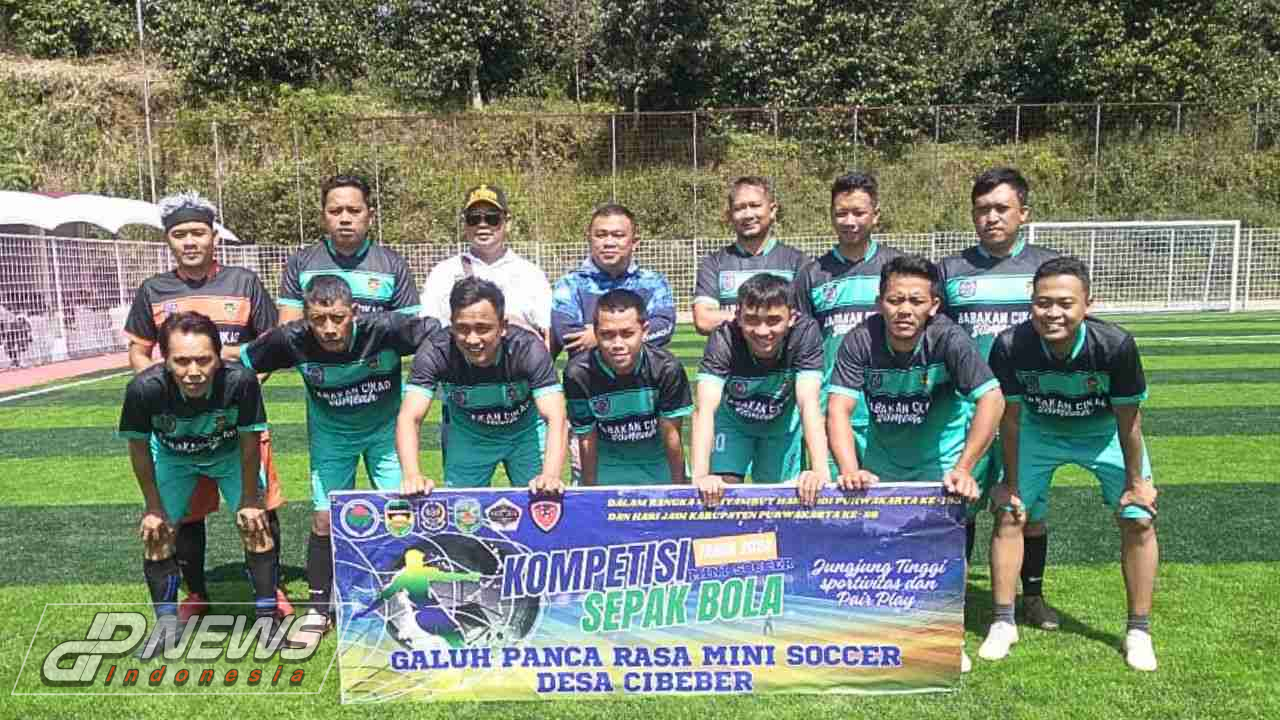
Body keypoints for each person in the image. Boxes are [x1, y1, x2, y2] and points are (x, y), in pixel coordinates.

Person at [239, 275, 439, 650]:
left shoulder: (387, 329)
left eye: (338, 318)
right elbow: (243, 362)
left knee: (401, 512)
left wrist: (423, 378)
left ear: (355, 313)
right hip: (333, 437)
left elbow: (440, 336)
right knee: (324, 518)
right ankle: (319, 611)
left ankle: (414, 601)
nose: (329, 328)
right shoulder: (290, 338)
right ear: (306, 317)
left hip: (386, 434)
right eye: (318, 319)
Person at [826, 254, 1004, 673]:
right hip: (884, 457)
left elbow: (992, 399)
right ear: (880, 302)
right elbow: (837, 409)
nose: (904, 310)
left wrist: (964, 467)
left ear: (934, 305)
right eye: (895, 300)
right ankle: (888, 630)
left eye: (916, 301)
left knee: (941, 546)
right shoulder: (860, 340)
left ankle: (946, 636)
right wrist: (849, 468)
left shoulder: (949, 338)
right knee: (880, 547)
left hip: (940, 457)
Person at [979, 257, 1159, 671]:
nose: (1053, 313)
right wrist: (1010, 482)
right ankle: (1003, 622)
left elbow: (1129, 421)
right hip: (1039, 431)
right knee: (1009, 511)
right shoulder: (1010, 344)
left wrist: (1136, 482)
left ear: (1087, 304)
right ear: (1031, 303)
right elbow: (1011, 418)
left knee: (1138, 518)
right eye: (1043, 303)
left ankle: (1138, 631)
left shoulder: (1115, 345)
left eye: (1065, 303)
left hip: (1102, 435)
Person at [122, 191, 289, 622]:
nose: (190, 241)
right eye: (180, 234)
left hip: (234, 419)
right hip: (177, 428)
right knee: (187, 515)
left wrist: (237, 389)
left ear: (213, 236)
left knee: (259, 506)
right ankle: (195, 592)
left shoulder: (244, 282)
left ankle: (272, 592)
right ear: (168, 240)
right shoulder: (153, 290)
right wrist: (164, 390)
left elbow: (271, 346)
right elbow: (139, 351)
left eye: (198, 232)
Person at [940, 167, 1062, 631]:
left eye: (1001, 208)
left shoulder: (1047, 268)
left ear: (1023, 213)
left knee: (1027, 507)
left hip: (1026, 411)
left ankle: (1032, 597)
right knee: (961, 503)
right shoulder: (950, 270)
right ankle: (952, 597)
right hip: (966, 411)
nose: (991, 217)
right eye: (982, 210)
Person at [117, 312, 277, 659]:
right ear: (164, 359)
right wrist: (153, 507)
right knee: (157, 533)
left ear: (219, 357)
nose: (193, 371)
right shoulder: (143, 389)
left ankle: (268, 621)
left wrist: (250, 499)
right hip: (174, 457)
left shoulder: (241, 381)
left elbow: (250, 441)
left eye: (203, 360)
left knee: (256, 525)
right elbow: (139, 448)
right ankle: (166, 626)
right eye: (181, 361)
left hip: (229, 453)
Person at [397, 277, 567, 494]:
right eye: (462, 328)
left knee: (543, 499)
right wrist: (412, 475)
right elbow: (410, 416)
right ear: (451, 324)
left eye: (482, 328)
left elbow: (556, 415)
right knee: (463, 510)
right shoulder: (435, 351)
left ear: (503, 326)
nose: (472, 339)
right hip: (469, 436)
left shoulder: (528, 348)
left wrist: (551, 475)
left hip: (526, 433)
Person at [793, 172, 904, 469]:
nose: (849, 221)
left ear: (876, 215)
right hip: (830, 407)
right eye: (841, 213)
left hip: (890, 407)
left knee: (889, 494)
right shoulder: (812, 274)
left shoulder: (897, 268)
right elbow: (803, 349)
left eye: (858, 212)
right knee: (832, 494)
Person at [690, 273, 828, 507]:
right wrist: (701, 476)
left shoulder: (805, 333)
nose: (763, 331)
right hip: (732, 423)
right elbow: (704, 409)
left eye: (773, 320)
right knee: (720, 492)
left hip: (781, 424)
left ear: (792, 317)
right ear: (738, 317)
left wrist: (820, 471)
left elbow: (809, 402)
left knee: (782, 500)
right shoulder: (723, 337)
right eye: (752, 320)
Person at [563, 289, 692, 485]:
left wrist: (678, 488)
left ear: (645, 331)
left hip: (658, 461)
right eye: (607, 335)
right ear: (595, 333)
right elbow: (587, 438)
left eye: (627, 334)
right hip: (607, 463)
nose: (617, 344)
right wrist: (591, 490)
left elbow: (672, 436)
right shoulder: (578, 373)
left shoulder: (666, 368)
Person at [278, 174, 421, 322]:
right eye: (335, 211)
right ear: (323, 217)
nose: (345, 219)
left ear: (370, 216)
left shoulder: (394, 265)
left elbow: (409, 329)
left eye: (354, 211)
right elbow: (289, 329)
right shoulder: (300, 263)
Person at [420, 185, 552, 339]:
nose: (482, 225)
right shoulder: (443, 273)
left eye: (492, 218)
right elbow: (428, 328)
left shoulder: (531, 274)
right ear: (464, 224)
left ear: (507, 222)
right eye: (474, 219)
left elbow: (547, 332)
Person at [550, 203, 675, 358]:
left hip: (645, 373)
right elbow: (568, 336)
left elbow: (664, 327)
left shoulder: (654, 283)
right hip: (587, 373)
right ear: (589, 239)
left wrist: (597, 336)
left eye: (618, 235)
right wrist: (631, 333)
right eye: (601, 235)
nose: (609, 243)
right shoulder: (569, 284)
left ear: (634, 242)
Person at [692, 176, 808, 336]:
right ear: (729, 215)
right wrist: (769, 317)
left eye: (755, 205)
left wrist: (743, 318)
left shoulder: (797, 262)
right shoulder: (713, 263)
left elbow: (804, 319)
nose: (748, 214)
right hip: (729, 353)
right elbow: (704, 320)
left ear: (773, 210)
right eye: (739, 208)